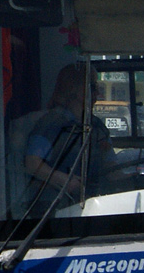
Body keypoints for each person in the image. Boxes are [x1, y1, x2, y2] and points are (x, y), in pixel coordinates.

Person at [23, 64, 108, 209]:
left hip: (93, 204)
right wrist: (65, 180)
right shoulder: (51, 123)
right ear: (74, 89)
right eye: (92, 87)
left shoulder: (97, 126)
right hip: (52, 209)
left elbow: (111, 166)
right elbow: (32, 163)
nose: (97, 94)